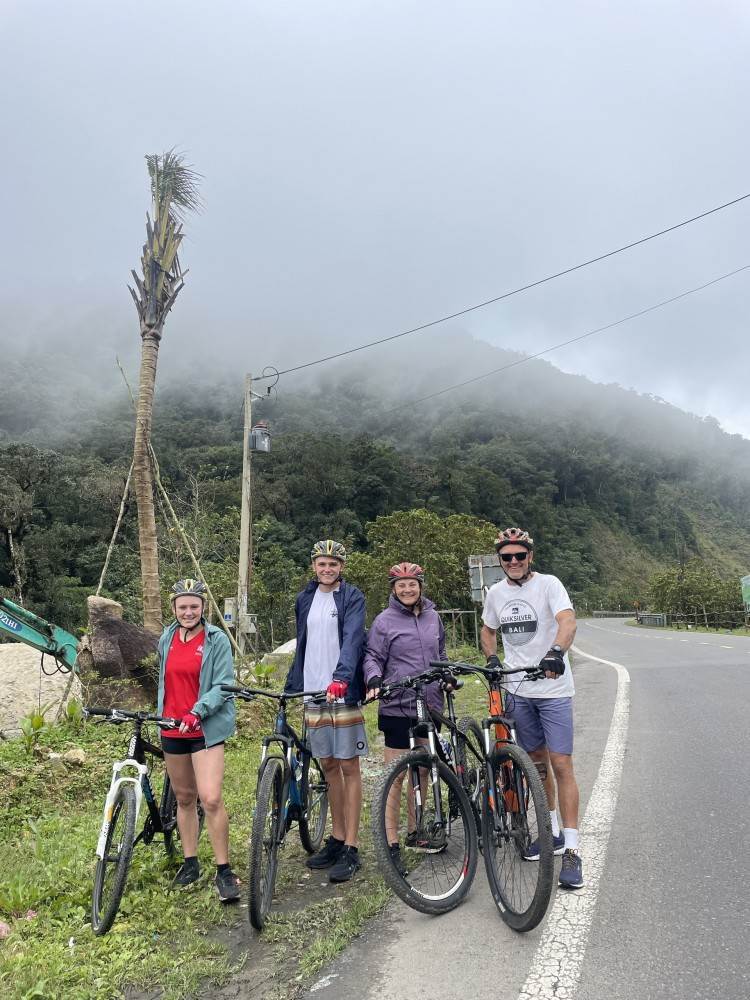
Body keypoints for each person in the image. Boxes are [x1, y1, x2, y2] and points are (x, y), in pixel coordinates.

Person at [480, 528, 583, 890]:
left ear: (530, 557)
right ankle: (551, 832)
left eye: (519, 556)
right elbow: (487, 630)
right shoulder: (495, 593)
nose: (513, 562)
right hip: (518, 690)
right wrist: (492, 658)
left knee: (561, 764)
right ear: (500, 561)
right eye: (506, 557)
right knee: (537, 765)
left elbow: (567, 621)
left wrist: (556, 651)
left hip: (553, 689)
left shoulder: (549, 584)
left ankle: (572, 849)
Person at [284, 540, 367, 883]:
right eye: (322, 564)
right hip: (313, 691)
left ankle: (352, 846)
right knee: (329, 765)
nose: (327, 569)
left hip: (341, 691)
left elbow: (353, 639)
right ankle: (336, 837)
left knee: (349, 766)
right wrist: (292, 683)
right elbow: (303, 643)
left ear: (341, 567)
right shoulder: (304, 598)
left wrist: (342, 678)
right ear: (314, 566)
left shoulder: (352, 597)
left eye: (333, 564)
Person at [157, 578, 240, 902]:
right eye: (183, 607)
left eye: (194, 606)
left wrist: (197, 711)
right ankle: (190, 862)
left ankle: (224, 870)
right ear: (174, 608)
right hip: (172, 727)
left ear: (203, 607)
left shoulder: (216, 639)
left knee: (211, 798)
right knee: (184, 798)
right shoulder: (166, 638)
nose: (188, 612)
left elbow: (223, 685)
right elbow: (165, 682)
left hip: (204, 729)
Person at [363, 562, 447, 875]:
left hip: (430, 703)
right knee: (395, 775)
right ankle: (391, 842)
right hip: (398, 704)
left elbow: (441, 653)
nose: (407, 589)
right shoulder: (384, 621)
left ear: (420, 586)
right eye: (401, 585)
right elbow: (373, 656)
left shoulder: (433, 617)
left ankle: (416, 830)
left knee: (422, 769)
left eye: (412, 584)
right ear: (394, 589)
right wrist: (373, 678)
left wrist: (446, 675)